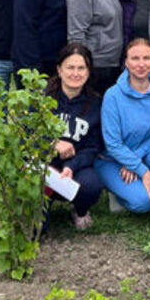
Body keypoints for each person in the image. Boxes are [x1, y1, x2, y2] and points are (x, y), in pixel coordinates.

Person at [94, 39, 150, 213]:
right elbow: (112, 144)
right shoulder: (113, 95)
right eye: (135, 58)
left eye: (147, 58)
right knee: (143, 203)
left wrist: (136, 159)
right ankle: (120, 194)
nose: (141, 64)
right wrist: (143, 171)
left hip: (145, 152)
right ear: (126, 62)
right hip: (112, 160)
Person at [46, 43, 105, 230]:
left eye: (81, 68)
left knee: (91, 185)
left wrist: (71, 166)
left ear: (88, 72)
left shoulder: (96, 103)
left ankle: (80, 210)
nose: (75, 73)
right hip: (44, 165)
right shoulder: (42, 98)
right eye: (70, 67)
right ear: (59, 69)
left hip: (76, 167)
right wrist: (53, 143)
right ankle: (41, 207)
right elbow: (26, 136)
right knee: (35, 232)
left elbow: (93, 147)